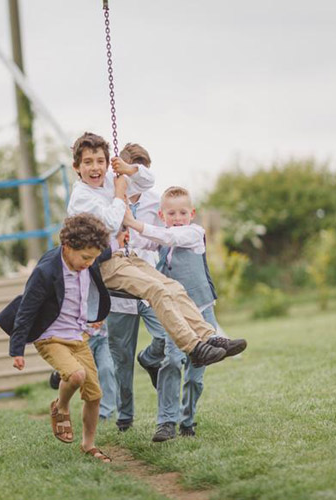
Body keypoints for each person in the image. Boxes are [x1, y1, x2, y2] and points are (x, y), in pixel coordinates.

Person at [67, 132, 241, 369]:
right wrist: (120, 192)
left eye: (100, 161)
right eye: (88, 162)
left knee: (174, 287)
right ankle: (193, 347)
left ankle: (208, 336)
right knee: (156, 289)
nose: (95, 168)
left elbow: (147, 182)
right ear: (76, 167)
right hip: (103, 262)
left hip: (126, 256)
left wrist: (128, 169)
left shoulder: (110, 179)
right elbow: (109, 222)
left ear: (108, 163)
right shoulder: (81, 196)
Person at [122, 186, 247, 441]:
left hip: (202, 313)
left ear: (192, 213)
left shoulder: (193, 233)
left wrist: (135, 223)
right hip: (176, 317)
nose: (177, 218)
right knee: (171, 362)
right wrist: (125, 229)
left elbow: (171, 238)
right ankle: (166, 422)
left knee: (195, 375)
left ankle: (187, 420)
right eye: (171, 213)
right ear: (162, 215)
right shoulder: (161, 238)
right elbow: (141, 241)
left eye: (182, 213)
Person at [0, 213, 113, 463]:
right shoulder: (47, 271)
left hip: (77, 335)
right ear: (68, 247)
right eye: (85, 258)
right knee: (76, 375)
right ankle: (60, 407)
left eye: (93, 257)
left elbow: (104, 253)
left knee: (94, 395)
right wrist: (16, 349)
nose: (90, 263)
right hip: (50, 336)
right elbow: (26, 310)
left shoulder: (88, 257)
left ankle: (88, 444)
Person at [104, 143, 168, 432]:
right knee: (121, 356)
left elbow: (160, 239)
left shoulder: (155, 202)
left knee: (165, 337)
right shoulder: (111, 200)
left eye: (139, 171)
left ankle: (151, 357)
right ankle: (125, 415)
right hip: (119, 289)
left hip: (147, 280)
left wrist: (137, 236)